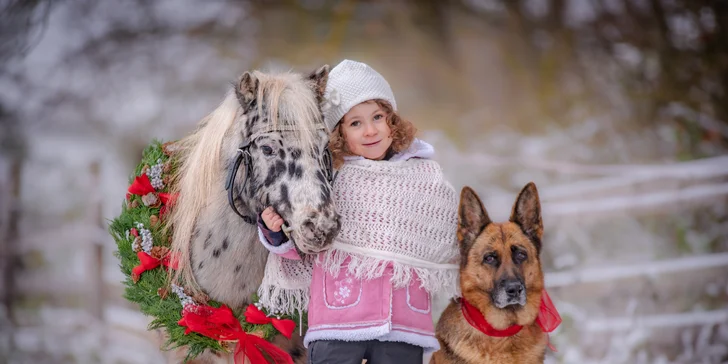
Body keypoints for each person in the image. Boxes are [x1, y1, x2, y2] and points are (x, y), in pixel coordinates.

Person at [257, 60, 459, 364]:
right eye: (355, 123)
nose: (370, 130)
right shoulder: (328, 181)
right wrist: (275, 233)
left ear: (393, 121)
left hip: (403, 325)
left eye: (378, 117)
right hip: (338, 321)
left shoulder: (426, 178)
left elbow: (452, 242)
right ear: (338, 135)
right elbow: (306, 245)